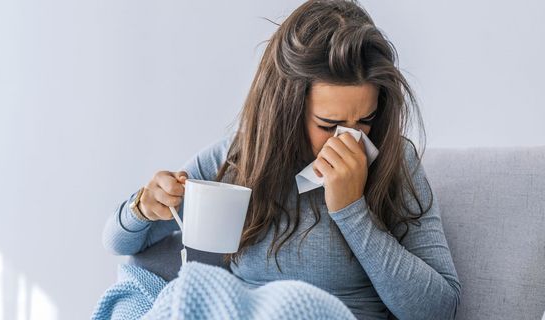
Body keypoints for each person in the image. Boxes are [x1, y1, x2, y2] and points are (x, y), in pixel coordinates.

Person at [102, 0, 461, 319]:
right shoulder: (237, 161)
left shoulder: (396, 163)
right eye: (329, 124)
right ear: (287, 111)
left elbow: (438, 309)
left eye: (364, 121)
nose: (350, 140)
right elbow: (120, 244)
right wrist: (142, 207)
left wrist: (353, 211)